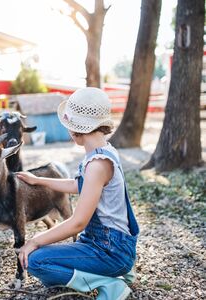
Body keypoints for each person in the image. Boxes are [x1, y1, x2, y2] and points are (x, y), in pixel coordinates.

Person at [17, 87, 139, 300]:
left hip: (109, 249)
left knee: (36, 262)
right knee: (50, 275)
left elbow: (78, 222)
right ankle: (112, 273)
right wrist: (37, 179)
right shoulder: (104, 151)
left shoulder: (97, 165)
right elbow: (78, 185)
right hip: (105, 243)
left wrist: (36, 240)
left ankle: (110, 284)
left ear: (75, 129)